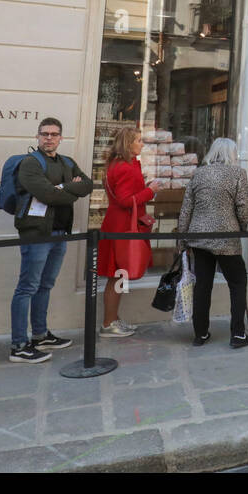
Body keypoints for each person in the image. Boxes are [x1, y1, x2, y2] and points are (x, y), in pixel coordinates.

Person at [9, 118, 93, 363]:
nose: (49, 138)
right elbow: (47, 195)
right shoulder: (30, 163)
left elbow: (87, 185)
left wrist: (60, 188)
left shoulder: (67, 162)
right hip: (36, 233)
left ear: (60, 138)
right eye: (45, 134)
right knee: (27, 287)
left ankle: (39, 334)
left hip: (59, 233)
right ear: (37, 136)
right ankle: (18, 345)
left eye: (54, 134)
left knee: (45, 285)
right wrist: (67, 189)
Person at [179, 137, 248, 348]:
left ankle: (200, 334)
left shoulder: (199, 173)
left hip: (199, 237)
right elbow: (244, 208)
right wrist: (241, 227)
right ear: (232, 154)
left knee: (203, 285)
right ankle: (238, 334)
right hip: (226, 237)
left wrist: (183, 239)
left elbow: (186, 209)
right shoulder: (237, 173)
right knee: (238, 283)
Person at [98, 126, 158, 338]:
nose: (142, 144)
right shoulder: (124, 167)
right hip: (123, 225)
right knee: (117, 275)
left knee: (118, 275)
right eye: (139, 140)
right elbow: (125, 200)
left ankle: (113, 319)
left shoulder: (119, 164)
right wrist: (150, 191)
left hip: (118, 222)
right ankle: (109, 322)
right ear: (128, 143)